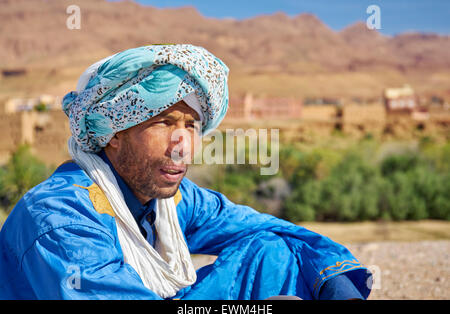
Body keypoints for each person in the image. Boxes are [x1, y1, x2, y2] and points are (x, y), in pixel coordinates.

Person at [0, 44, 371, 300]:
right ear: (112, 133)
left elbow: (267, 229)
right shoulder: (61, 219)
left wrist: (335, 285)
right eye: (164, 122)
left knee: (272, 250)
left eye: (191, 125)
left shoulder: (172, 198)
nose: (183, 145)